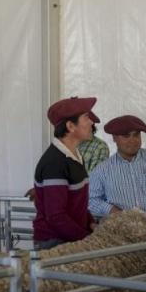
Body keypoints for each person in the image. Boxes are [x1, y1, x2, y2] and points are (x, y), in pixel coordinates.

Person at [88, 114, 146, 264]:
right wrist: (110, 210)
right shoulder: (102, 170)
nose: (133, 140)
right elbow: (91, 200)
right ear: (114, 138)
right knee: (130, 285)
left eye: (136, 135)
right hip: (123, 243)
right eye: (126, 136)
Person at [31, 96, 99, 249]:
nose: (92, 122)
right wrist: (87, 239)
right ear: (70, 126)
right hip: (55, 242)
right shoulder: (55, 163)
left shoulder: (73, 156)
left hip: (70, 238)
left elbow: (76, 204)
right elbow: (56, 216)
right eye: (86, 117)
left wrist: (91, 224)